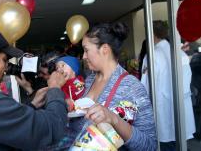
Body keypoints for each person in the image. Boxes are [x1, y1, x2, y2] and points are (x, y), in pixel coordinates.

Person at [55, 22, 157, 150]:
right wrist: (71, 106)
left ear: (105, 49)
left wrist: (114, 119)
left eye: (86, 50)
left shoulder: (131, 87)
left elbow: (150, 145)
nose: (84, 56)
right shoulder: (90, 79)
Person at [141, 20, 195, 151]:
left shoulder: (152, 56)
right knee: (180, 143)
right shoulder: (180, 53)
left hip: (162, 109)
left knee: (165, 142)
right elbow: (187, 80)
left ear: (151, 34)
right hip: (182, 107)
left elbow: (145, 86)